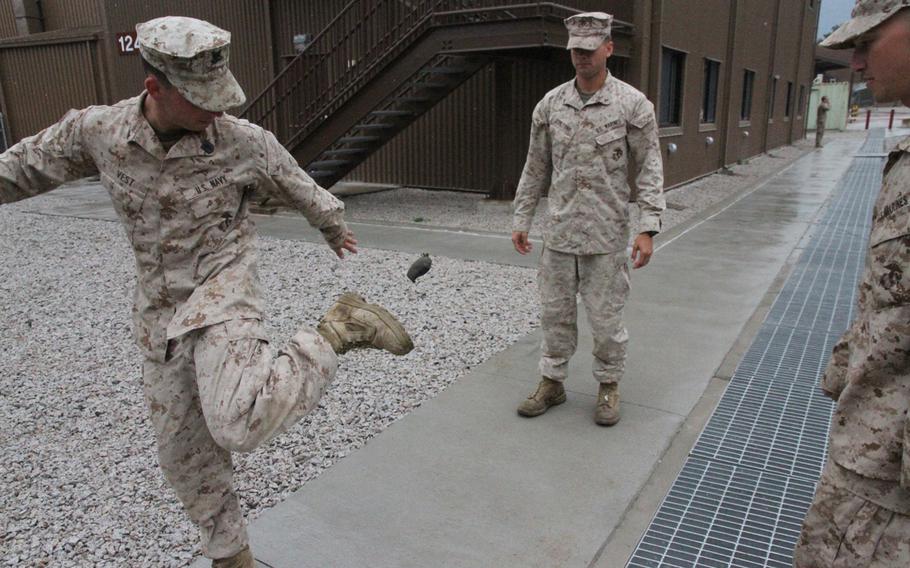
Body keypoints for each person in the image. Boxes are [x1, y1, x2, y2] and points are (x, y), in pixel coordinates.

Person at [0, 16, 414, 568]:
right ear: (156, 88)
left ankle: (339, 328)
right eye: (202, 100)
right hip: (159, 311)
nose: (217, 111)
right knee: (183, 454)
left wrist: (333, 225)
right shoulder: (99, 132)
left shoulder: (242, 142)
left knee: (238, 420)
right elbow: (25, 165)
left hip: (224, 290)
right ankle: (231, 556)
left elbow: (298, 184)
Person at [795, 1, 910, 565]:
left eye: (869, 43)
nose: (858, 64)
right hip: (867, 452)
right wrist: (846, 366)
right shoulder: (905, 154)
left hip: (893, 491)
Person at [511, 12, 664, 426]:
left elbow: (649, 166)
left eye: (588, 50)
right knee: (554, 315)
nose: (580, 58)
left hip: (606, 236)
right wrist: (522, 216)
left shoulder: (632, 105)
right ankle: (552, 382)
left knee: (606, 320)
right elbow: (535, 166)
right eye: (575, 50)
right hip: (559, 233)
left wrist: (648, 227)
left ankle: (609, 386)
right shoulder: (551, 104)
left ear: (608, 49)